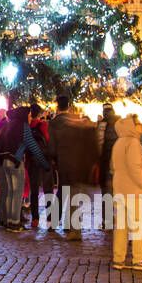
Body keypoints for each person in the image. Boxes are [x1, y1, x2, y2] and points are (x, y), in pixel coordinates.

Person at [46, 96, 99, 239]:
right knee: (73, 194)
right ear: (69, 106)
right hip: (78, 164)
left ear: (57, 106)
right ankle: (69, 225)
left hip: (63, 163)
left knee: (63, 191)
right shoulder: (78, 122)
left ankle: (56, 221)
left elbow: (52, 147)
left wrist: (54, 160)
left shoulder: (54, 123)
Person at [111, 114, 142, 270]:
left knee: (121, 227)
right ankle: (138, 259)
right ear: (132, 126)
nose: (141, 126)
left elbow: (114, 167)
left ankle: (119, 258)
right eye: (138, 123)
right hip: (133, 190)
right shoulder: (133, 143)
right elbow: (135, 168)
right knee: (138, 226)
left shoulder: (118, 142)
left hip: (120, 189)